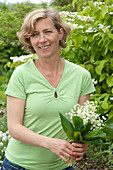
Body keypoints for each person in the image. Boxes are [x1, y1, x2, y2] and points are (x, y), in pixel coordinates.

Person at [1, 7, 95, 170]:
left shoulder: (81, 76)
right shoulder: (21, 75)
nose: (42, 39)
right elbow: (14, 127)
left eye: (48, 32)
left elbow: (82, 126)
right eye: (35, 34)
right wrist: (51, 143)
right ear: (29, 40)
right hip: (18, 165)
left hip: (62, 167)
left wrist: (82, 145)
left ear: (60, 33)